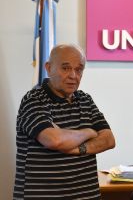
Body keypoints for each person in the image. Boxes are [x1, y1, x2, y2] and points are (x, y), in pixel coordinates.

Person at [13, 44, 115, 199]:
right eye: (66, 68)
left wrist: (77, 148)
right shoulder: (34, 99)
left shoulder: (85, 100)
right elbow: (54, 140)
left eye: (79, 69)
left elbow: (108, 140)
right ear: (48, 68)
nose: (73, 75)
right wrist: (89, 132)